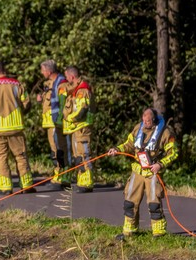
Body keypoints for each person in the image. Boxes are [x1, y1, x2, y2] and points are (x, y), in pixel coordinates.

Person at [107, 107, 178, 239]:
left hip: (153, 172)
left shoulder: (166, 133)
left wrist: (160, 164)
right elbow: (128, 144)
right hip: (138, 170)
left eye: (149, 121)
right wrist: (116, 149)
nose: (146, 123)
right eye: (144, 120)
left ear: (154, 120)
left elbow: (174, 153)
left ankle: (159, 234)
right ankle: (129, 231)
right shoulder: (137, 129)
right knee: (129, 202)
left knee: (154, 203)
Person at [0, 61, 34, 195]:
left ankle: (5, 188)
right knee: (21, 157)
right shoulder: (17, 85)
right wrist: (20, 114)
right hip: (15, 128)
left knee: (0, 158)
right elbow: (27, 104)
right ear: (5, 70)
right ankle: (26, 185)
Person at [37, 59, 69, 188]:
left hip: (56, 122)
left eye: (43, 70)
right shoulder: (51, 83)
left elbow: (61, 103)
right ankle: (60, 175)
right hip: (50, 123)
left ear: (49, 71)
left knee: (58, 150)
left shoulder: (60, 83)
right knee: (55, 149)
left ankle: (60, 176)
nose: (41, 72)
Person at [63, 65, 94, 192]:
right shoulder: (76, 90)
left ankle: (87, 182)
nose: (66, 79)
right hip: (76, 129)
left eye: (66, 76)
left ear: (72, 76)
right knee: (78, 156)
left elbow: (82, 110)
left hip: (82, 128)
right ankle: (82, 181)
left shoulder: (82, 90)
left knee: (84, 154)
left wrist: (69, 118)